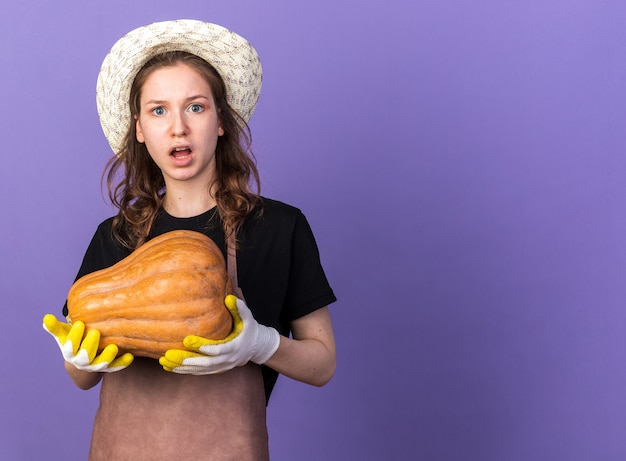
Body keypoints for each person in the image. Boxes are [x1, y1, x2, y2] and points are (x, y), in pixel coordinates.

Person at [42, 19, 337, 460]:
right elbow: (80, 375)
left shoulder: (280, 227)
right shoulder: (116, 236)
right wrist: (79, 359)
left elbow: (323, 364)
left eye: (195, 107)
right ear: (139, 129)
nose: (178, 127)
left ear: (220, 120)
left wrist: (261, 344)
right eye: (158, 110)